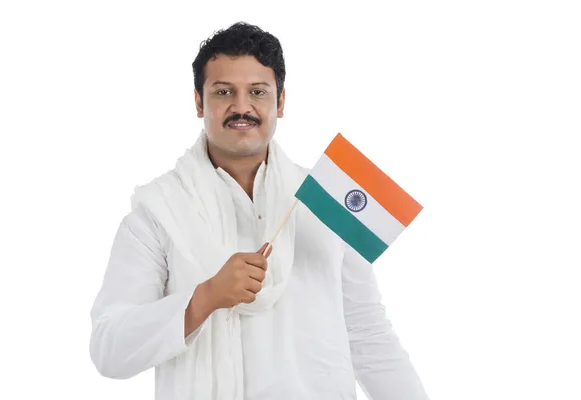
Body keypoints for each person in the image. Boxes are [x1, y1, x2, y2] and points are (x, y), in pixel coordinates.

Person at [89, 21, 429, 400]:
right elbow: (109, 348)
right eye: (223, 92)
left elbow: (368, 334)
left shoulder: (324, 202)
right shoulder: (158, 212)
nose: (241, 107)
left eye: (257, 92)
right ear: (199, 101)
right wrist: (205, 297)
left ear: (280, 102)